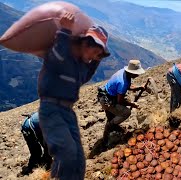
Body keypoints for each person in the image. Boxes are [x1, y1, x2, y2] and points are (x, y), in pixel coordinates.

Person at [38, 12, 111, 179]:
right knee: (68, 154)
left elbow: (85, 76)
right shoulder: (63, 59)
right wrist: (64, 30)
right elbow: (57, 55)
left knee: (79, 159)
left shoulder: (81, 69)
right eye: (95, 50)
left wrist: (97, 59)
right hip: (51, 109)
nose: (94, 56)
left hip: (67, 112)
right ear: (85, 42)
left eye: (98, 54)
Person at [98, 60, 145, 144]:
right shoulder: (122, 82)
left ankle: (108, 135)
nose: (138, 75)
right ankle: (110, 129)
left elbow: (128, 86)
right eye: (136, 73)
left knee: (112, 116)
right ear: (131, 72)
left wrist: (138, 87)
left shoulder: (123, 73)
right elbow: (120, 101)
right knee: (126, 112)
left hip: (107, 95)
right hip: (107, 100)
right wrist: (132, 104)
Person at [18, 112, 52, 176]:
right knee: (36, 152)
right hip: (28, 128)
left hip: (37, 126)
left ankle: (45, 161)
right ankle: (30, 169)